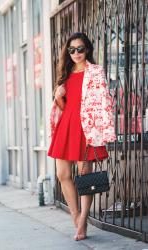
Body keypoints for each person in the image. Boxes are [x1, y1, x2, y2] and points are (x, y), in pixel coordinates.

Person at [48, 32, 116, 241]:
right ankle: (76, 216)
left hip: (87, 128)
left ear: (87, 49)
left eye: (80, 49)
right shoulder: (65, 74)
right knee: (62, 174)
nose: (76, 53)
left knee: (85, 176)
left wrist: (98, 133)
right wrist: (58, 96)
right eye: (72, 50)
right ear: (68, 52)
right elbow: (62, 107)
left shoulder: (96, 72)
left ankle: (83, 221)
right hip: (66, 126)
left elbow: (104, 103)